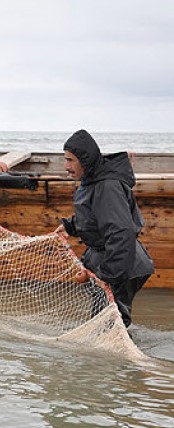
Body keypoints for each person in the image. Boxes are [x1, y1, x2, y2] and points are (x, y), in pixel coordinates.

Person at [56, 130, 154, 327]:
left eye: (70, 160)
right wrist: (70, 226)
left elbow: (121, 232)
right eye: (65, 160)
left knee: (109, 324)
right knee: (103, 321)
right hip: (112, 260)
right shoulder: (91, 180)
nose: (66, 166)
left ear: (85, 160)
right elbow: (95, 217)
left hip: (123, 264)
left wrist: (107, 275)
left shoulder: (107, 187)